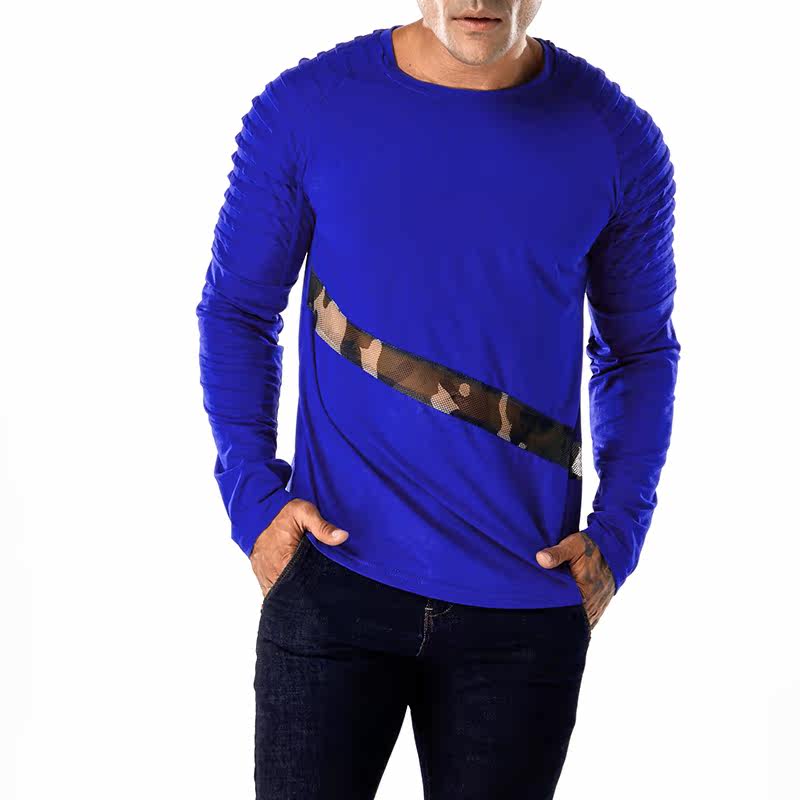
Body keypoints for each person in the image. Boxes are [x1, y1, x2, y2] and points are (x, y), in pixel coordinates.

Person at [196, 2, 681, 797]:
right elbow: (237, 311)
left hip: (522, 612)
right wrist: (253, 500)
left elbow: (639, 351)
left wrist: (619, 533)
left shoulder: (615, 139)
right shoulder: (308, 108)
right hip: (332, 584)